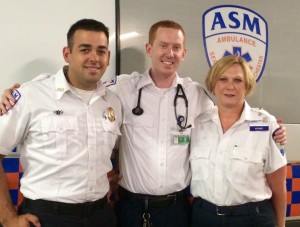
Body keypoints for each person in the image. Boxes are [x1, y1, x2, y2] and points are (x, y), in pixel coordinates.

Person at [0, 20, 287, 227]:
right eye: (163, 45)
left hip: (176, 210)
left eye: (176, 47)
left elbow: (230, 110)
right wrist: (12, 95)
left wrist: (269, 126)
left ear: (184, 53)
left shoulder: (196, 95)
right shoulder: (119, 90)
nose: (169, 53)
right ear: (150, 48)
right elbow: (81, 86)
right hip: (127, 207)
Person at [0, 19, 122, 227]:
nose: (94, 58)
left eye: (101, 51)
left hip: (101, 216)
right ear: (67, 54)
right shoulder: (31, 95)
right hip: (46, 218)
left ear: (108, 57)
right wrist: (8, 218)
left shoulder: (113, 101)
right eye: (85, 49)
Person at [190, 55, 287, 227]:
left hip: (253, 219)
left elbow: (278, 186)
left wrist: (281, 225)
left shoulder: (266, 125)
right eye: (223, 79)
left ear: (247, 86)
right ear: (213, 84)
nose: (230, 86)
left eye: (238, 80)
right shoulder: (197, 125)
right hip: (204, 218)